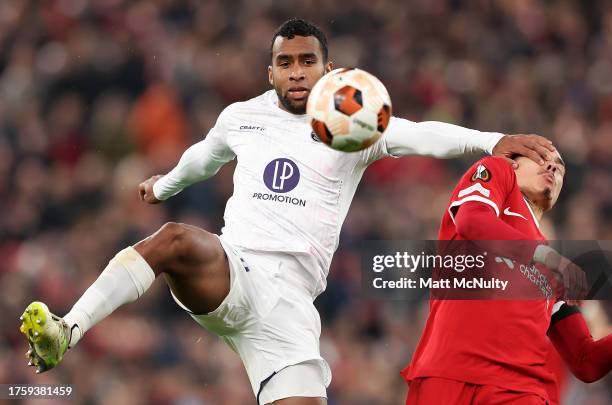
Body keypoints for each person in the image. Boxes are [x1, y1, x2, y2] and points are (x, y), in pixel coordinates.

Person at [20, 18, 556, 405]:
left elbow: (424, 136)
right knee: (175, 240)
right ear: (270, 70)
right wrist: (164, 185)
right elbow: (201, 160)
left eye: (307, 62)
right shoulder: (242, 117)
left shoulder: (353, 123)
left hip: (292, 306)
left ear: (328, 68)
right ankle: (66, 330)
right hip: (233, 270)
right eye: (285, 62)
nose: (296, 73)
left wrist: (492, 140)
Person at [401, 151, 597, 404]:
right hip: (448, 374)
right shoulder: (497, 173)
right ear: (513, 164)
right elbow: (471, 221)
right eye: (541, 158)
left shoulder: (555, 275)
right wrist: (546, 256)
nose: (552, 167)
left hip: (519, 390)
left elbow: (586, 361)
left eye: (560, 168)